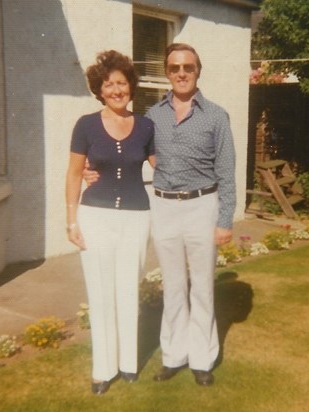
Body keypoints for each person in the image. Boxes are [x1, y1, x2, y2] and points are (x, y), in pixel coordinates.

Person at [84, 43, 236, 386]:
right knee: (173, 285)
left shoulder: (216, 115)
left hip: (202, 204)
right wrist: (90, 171)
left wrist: (225, 219)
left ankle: (201, 360)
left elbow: (227, 170)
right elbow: (125, 152)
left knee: (201, 286)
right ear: (167, 73)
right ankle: (173, 356)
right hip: (164, 206)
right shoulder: (152, 117)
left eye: (188, 67)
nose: (181, 73)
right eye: (174, 68)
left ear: (198, 71)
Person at [65, 50, 155, 395]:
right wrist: (71, 221)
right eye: (109, 84)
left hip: (135, 216)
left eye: (121, 83)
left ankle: (129, 363)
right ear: (99, 90)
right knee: (101, 293)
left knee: (128, 290)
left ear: (130, 86)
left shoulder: (146, 125)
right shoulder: (85, 125)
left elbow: (161, 165)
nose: (116, 90)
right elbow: (74, 173)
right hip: (95, 216)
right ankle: (103, 370)